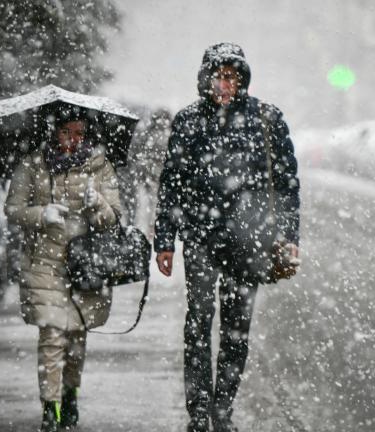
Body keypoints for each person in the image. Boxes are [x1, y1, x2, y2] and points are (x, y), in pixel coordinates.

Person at [154, 42, 301, 432]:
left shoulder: (266, 120)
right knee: (198, 323)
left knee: (237, 329)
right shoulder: (189, 121)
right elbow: (172, 185)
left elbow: (286, 186)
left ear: (242, 79)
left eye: (232, 76)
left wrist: (288, 235)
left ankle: (223, 411)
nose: (224, 83)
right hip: (200, 238)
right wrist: (165, 240)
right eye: (219, 75)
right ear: (206, 78)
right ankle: (199, 413)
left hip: (248, 240)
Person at [5, 108, 122, 432]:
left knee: (76, 338)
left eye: (80, 133)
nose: (73, 140)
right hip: (44, 264)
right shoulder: (32, 165)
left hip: (85, 267)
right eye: (67, 132)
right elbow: (12, 209)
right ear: (54, 132)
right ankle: (50, 409)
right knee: (52, 336)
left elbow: (113, 217)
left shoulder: (100, 166)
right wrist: (42, 214)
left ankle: (70, 396)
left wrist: (96, 202)